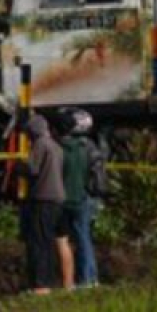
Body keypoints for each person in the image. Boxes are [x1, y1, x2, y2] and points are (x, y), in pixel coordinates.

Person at [60, 108, 105, 288]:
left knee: (79, 237)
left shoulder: (68, 147)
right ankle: (90, 277)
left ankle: (86, 279)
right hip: (88, 196)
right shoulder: (91, 146)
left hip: (75, 197)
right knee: (84, 236)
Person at [21, 114, 65, 294]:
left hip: (42, 199)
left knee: (38, 242)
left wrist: (19, 166)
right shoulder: (56, 146)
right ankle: (49, 280)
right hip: (57, 200)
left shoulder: (40, 145)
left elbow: (32, 169)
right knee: (49, 242)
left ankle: (40, 285)